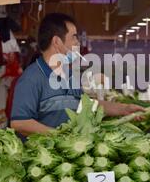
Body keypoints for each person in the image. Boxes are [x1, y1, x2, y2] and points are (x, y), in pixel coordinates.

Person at [10, 13, 143, 136]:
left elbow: (86, 105)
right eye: (74, 37)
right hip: (42, 157)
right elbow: (19, 123)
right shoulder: (31, 78)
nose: (77, 43)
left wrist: (124, 109)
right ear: (56, 42)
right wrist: (60, 136)